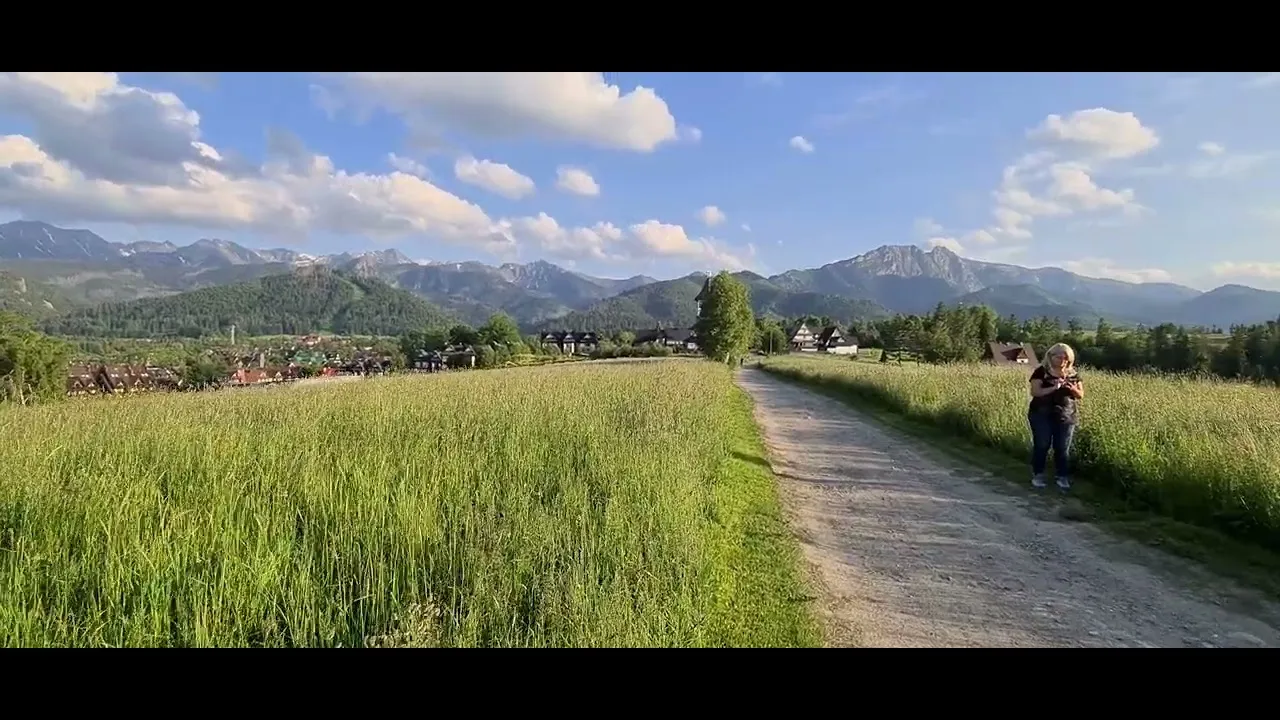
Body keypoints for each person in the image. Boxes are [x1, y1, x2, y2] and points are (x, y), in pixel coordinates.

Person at [1027, 342, 1084, 491]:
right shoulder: (1041, 372)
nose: (1062, 360)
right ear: (1050, 357)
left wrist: (1073, 389)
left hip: (1066, 415)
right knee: (1042, 444)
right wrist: (1054, 387)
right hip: (1041, 414)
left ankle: (1062, 476)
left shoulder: (1073, 374)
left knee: (1062, 447)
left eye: (1065, 357)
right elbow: (1036, 392)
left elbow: (1080, 395)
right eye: (1058, 356)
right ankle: (1038, 474)